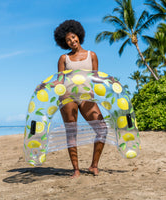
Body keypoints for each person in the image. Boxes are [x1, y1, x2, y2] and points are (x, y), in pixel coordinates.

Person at [54, 19, 106, 178]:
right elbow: (60, 80)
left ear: (79, 35)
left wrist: (108, 82)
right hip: (68, 97)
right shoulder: (64, 58)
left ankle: (93, 165)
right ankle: (76, 169)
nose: (71, 41)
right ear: (65, 42)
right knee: (71, 132)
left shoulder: (92, 55)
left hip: (87, 96)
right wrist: (47, 85)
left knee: (102, 129)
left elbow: (96, 78)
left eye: (73, 37)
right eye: (68, 40)